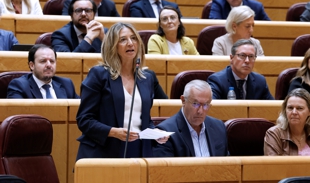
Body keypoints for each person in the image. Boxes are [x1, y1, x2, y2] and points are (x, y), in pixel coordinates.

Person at [76, 22, 168, 160]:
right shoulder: (99, 75)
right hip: (104, 151)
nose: (130, 43)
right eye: (123, 40)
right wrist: (113, 132)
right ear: (112, 46)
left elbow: (144, 119)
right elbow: (84, 120)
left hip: (139, 150)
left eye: (134, 38)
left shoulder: (147, 78)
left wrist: (154, 132)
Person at [153, 80, 229, 157]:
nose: (200, 111)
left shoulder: (219, 128)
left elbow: (226, 165)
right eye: (195, 104)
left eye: (206, 105)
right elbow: (164, 168)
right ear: (183, 100)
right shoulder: (165, 132)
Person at [264, 88, 310, 156]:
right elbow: (273, 167)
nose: (294, 112)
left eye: (299, 108)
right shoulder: (274, 134)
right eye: (290, 108)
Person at [208, 39, 274, 100]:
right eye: (242, 56)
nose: (247, 61)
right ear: (231, 58)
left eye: (251, 56)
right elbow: (212, 108)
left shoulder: (260, 81)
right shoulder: (217, 80)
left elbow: (271, 108)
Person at [7, 44, 79, 99]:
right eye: (43, 61)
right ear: (32, 65)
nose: (48, 65)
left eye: (52, 61)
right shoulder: (19, 86)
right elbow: (18, 115)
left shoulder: (67, 84)